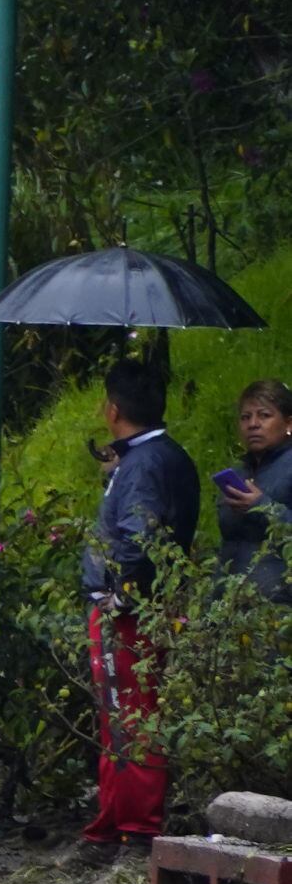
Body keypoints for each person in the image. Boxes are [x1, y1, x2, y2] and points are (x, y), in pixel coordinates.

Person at [77, 357, 199, 848]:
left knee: (131, 716)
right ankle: (113, 822)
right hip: (142, 608)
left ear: (112, 409)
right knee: (122, 716)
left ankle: (135, 828)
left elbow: (138, 535)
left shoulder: (145, 463)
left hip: (127, 614)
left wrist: (117, 596)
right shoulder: (158, 457)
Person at [217, 378, 290, 604]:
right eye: (245, 417)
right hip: (229, 602)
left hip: (278, 607)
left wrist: (261, 505)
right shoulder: (239, 471)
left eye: (264, 415)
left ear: (288, 424)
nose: (253, 424)